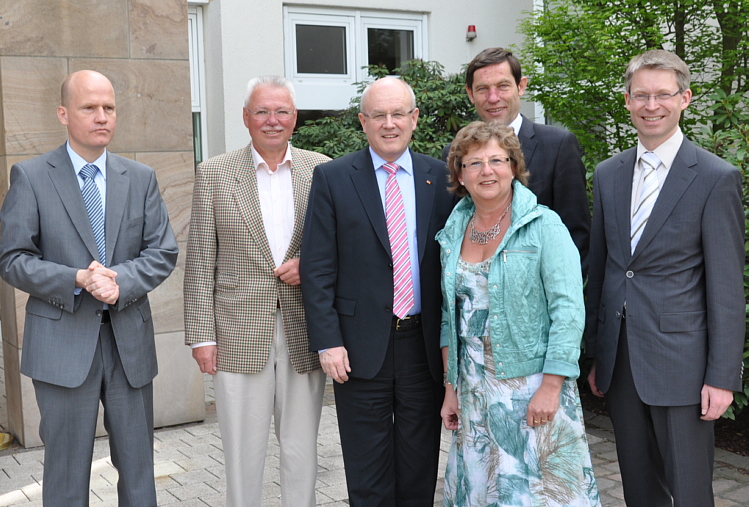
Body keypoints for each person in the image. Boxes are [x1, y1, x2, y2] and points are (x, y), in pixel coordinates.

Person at [0, 70, 178, 506]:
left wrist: (122, 283)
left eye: (109, 107)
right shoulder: (32, 176)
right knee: (65, 475)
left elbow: (163, 251)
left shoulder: (140, 177)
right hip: (61, 347)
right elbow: (12, 258)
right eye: (89, 107)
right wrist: (76, 278)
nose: (102, 117)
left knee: (138, 473)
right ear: (63, 113)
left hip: (129, 346)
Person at [586, 50, 745, 507]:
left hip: (684, 365)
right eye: (641, 95)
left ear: (685, 98)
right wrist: (598, 354)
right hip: (621, 362)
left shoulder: (716, 177)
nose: (651, 105)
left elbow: (727, 289)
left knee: (690, 491)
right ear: (627, 100)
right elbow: (605, 271)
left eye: (663, 95)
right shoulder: (608, 173)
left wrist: (722, 376)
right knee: (639, 488)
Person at [300, 76, 456, 506]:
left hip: (422, 346)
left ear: (414, 119)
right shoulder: (332, 177)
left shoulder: (440, 177)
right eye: (379, 115)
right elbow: (316, 269)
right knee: (367, 473)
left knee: (419, 466)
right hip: (357, 347)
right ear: (362, 122)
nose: (390, 124)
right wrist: (328, 341)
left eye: (398, 114)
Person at [184, 76, 330, 507]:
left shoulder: (322, 169)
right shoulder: (213, 173)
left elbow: (338, 245)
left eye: (282, 111)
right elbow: (199, 262)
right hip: (236, 333)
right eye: (262, 112)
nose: (272, 120)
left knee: (302, 448)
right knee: (242, 451)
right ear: (246, 118)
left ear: (295, 118)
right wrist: (202, 336)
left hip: (306, 328)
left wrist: (313, 265)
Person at [439, 121, 600, 506]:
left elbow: (569, 309)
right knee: (484, 490)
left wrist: (551, 387)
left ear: (514, 166)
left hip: (531, 387)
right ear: (460, 174)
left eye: (497, 160)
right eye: (474, 163)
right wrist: (450, 389)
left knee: (536, 493)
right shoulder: (453, 228)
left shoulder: (544, 225)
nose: (486, 171)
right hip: (473, 389)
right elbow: (450, 317)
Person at [443, 47, 590, 273]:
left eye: (503, 86)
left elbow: (576, 235)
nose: (493, 98)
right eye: (483, 89)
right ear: (470, 93)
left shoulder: (558, 146)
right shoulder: (456, 153)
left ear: (521, 86)